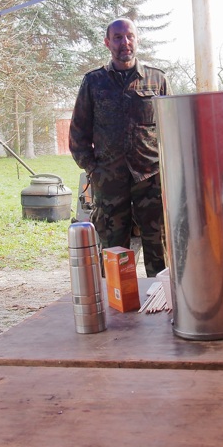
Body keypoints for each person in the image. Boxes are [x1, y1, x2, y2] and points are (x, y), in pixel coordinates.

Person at [69, 18, 169, 278]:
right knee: (114, 254)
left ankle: (161, 297)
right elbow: (78, 133)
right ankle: (119, 301)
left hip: (151, 180)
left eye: (129, 36)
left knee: (159, 251)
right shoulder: (94, 82)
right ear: (107, 43)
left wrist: (167, 171)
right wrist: (94, 170)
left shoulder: (156, 80)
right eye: (117, 37)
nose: (125, 42)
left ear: (137, 39)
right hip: (110, 182)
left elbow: (172, 129)